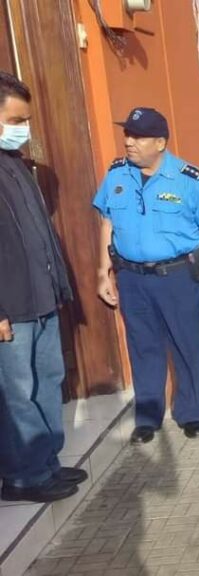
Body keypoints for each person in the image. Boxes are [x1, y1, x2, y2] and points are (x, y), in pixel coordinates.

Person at [95, 107, 199, 445]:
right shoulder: (116, 175)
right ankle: (148, 417)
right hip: (132, 278)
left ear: (160, 142)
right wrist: (103, 271)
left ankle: (191, 413)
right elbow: (107, 222)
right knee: (143, 347)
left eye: (138, 137)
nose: (129, 142)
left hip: (178, 277)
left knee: (187, 346)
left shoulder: (189, 178)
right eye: (127, 135)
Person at [0, 71, 83, 503]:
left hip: (43, 297)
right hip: (10, 308)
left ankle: (46, 463)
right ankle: (22, 475)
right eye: (15, 120)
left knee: (49, 378)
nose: (23, 129)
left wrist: (59, 287)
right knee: (17, 391)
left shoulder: (15, 165)